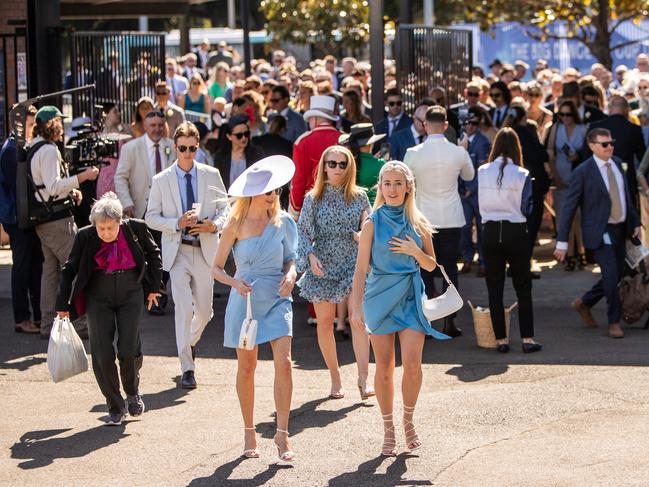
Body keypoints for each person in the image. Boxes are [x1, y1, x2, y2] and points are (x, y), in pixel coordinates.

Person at [350, 161, 449, 456]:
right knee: (383, 368)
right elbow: (359, 270)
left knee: (413, 364)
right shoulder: (372, 222)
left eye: (398, 183)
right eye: (387, 183)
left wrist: (415, 251)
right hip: (379, 295)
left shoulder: (418, 221)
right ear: (380, 188)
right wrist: (356, 309)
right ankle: (388, 428)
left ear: (408, 187)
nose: (392, 189)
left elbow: (432, 265)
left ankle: (408, 421)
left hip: (410, 293)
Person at [212, 155, 297, 462]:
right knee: (247, 368)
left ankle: (282, 435)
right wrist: (235, 283)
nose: (273, 193)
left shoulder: (284, 221)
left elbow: (292, 259)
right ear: (252, 192)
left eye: (275, 188)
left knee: (284, 363)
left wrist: (291, 274)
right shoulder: (234, 223)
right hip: (245, 301)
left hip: (277, 296)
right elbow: (216, 268)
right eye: (266, 189)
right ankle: (249, 432)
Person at [55, 193, 162, 425]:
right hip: (97, 295)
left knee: (128, 348)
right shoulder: (85, 235)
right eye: (100, 228)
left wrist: (154, 288)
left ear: (119, 221)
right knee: (102, 352)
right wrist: (62, 305)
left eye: (110, 227)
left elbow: (154, 255)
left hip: (130, 292)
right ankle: (115, 405)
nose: (105, 233)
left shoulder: (136, 228)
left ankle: (132, 392)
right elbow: (68, 269)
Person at [146, 122, 229, 388]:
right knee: (183, 308)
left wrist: (213, 225)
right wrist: (176, 223)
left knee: (205, 312)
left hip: (205, 249)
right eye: (182, 148)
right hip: (178, 249)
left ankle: (189, 342)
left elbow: (225, 210)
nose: (187, 153)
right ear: (175, 148)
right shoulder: (162, 180)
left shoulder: (211, 174)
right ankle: (187, 368)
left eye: (192, 148)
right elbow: (150, 217)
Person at [297, 145, 373, 400]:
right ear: (324, 166)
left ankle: (364, 378)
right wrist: (310, 255)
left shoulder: (361, 197)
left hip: (354, 260)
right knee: (325, 323)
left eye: (343, 164)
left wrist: (364, 234)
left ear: (350, 167)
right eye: (332, 163)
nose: (337, 169)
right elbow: (302, 232)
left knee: (357, 318)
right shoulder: (312, 198)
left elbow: (370, 227)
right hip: (324, 263)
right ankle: (335, 377)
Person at [554, 128, 641, 339]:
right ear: (592, 146)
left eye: (611, 142)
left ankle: (585, 302)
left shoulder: (618, 163)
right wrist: (562, 241)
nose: (610, 146)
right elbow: (568, 208)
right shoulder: (583, 171)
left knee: (617, 275)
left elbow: (626, 196)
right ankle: (614, 322)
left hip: (621, 229)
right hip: (600, 231)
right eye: (604, 144)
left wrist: (635, 222)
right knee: (611, 276)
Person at [403, 106, 474, 337]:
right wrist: (463, 149)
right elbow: (469, 176)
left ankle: (427, 319)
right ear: (445, 126)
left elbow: (406, 183)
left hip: (424, 217)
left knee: (424, 269)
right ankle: (449, 319)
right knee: (449, 268)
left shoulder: (413, 152)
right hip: (450, 216)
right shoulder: (457, 152)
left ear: (425, 125)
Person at [30, 106, 99, 339]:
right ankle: (81, 324)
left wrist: (71, 191)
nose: (63, 128)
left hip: (44, 219)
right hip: (57, 221)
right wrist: (83, 177)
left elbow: (49, 186)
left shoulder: (33, 148)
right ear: (53, 124)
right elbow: (53, 186)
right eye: (60, 122)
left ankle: (48, 324)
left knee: (50, 274)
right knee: (77, 267)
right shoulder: (49, 150)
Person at [478, 128, 541, 353]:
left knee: (494, 287)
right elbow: (527, 206)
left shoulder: (482, 171)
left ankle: (501, 340)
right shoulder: (522, 173)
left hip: (491, 230)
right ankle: (527, 338)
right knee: (523, 286)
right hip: (515, 229)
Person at [0, 105, 42, 333]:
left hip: (27, 217)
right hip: (17, 218)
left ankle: (37, 315)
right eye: (30, 121)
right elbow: (19, 186)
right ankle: (21, 317)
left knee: (35, 266)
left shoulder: (21, 146)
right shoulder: (10, 149)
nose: (33, 125)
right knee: (23, 267)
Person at [504, 106, 551, 273]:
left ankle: (514, 265)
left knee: (516, 227)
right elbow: (540, 155)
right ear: (523, 117)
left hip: (511, 186)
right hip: (531, 185)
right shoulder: (525, 133)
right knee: (530, 227)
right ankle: (522, 266)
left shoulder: (504, 135)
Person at [546, 100, 588, 271]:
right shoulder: (556, 128)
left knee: (578, 217)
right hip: (560, 177)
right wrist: (555, 176)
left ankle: (581, 252)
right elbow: (550, 153)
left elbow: (588, 153)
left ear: (574, 114)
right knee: (564, 218)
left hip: (578, 176)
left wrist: (577, 156)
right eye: (561, 114)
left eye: (568, 114)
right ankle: (570, 254)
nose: (565, 118)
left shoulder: (583, 129)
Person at [588, 95, 644, 211]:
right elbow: (642, 157)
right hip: (626, 182)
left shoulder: (594, 127)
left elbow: (586, 156)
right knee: (627, 223)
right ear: (626, 110)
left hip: (600, 182)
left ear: (609, 108)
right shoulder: (634, 130)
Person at [289, 95, 341, 217]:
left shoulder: (303, 141)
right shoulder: (344, 138)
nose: (310, 123)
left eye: (311, 119)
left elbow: (298, 180)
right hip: (341, 205)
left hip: (312, 207)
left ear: (316, 119)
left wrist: (295, 210)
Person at [458, 108, 492, 276]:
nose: (470, 126)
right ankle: (467, 259)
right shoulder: (457, 139)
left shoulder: (483, 141)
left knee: (481, 227)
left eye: (474, 123)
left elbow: (483, 168)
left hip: (478, 193)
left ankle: (483, 262)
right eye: (467, 123)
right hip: (462, 191)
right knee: (464, 227)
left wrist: (472, 189)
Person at [214, 114, 265, 188]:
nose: (243, 138)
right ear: (229, 136)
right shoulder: (221, 156)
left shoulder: (256, 153)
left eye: (246, 134)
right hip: (227, 198)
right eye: (239, 135)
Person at [339, 123, 386, 205]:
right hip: (372, 210)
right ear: (370, 143)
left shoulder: (346, 162)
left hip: (349, 209)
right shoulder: (380, 164)